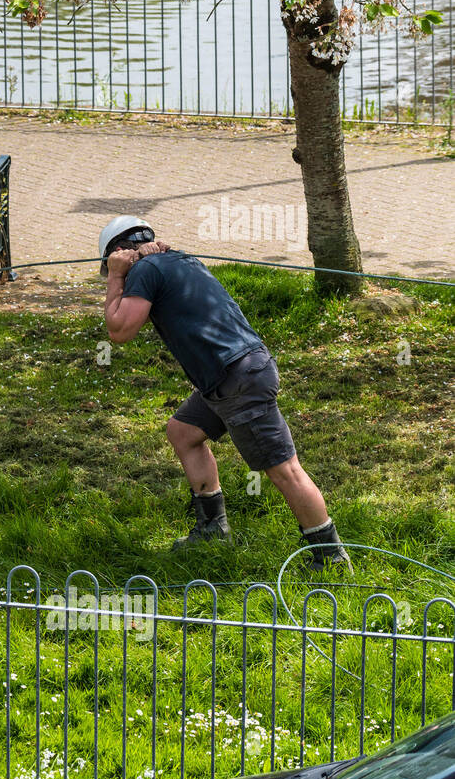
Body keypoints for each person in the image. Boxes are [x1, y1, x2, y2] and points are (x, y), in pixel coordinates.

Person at [99, 215, 349, 569]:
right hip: (233, 372)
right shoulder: (178, 259)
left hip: (236, 378)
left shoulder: (144, 270)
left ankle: (331, 557)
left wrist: (115, 275)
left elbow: (119, 330)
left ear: (119, 251)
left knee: (284, 470)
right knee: (183, 432)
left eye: (111, 262)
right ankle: (213, 527)